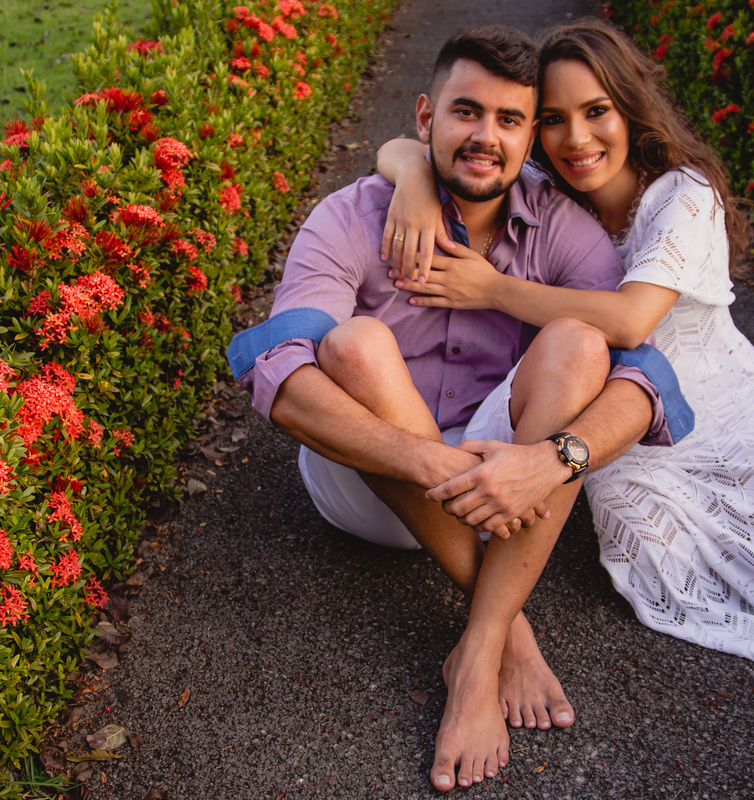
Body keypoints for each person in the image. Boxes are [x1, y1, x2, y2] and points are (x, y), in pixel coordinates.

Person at [376, 18, 754, 665]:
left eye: (596, 112)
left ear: (630, 107)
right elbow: (413, 143)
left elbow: (633, 321)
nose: (576, 138)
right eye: (553, 119)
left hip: (717, 399)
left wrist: (489, 288)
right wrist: (414, 177)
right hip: (624, 404)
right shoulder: (554, 188)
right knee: (653, 557)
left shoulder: (683, 195)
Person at [229, 26, 691, 791]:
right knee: (353, 346)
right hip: (368, 476)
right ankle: (512, 633)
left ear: (529, 138)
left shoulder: (562, 230)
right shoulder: (348, 217)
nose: (486, 136)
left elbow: (643, 382)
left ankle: (475, 655)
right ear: (424, 118)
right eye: (466, 112)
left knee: (581, 342)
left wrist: (551, 460)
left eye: (510, 120)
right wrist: (430, 462)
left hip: (502, 472)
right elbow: (277, 372)